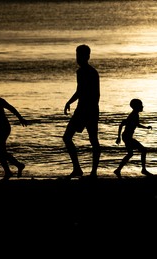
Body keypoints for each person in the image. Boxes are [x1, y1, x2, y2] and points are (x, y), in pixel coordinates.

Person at [63, 44, 101, 178]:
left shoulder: (89, 72)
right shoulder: (83, 72)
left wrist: (86, 109)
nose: (78, 58)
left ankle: (92, 172)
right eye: (77, 55)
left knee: (91, 140)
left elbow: (92, 94)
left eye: (80, 55)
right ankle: (80, 169)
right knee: (68, 138)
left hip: (87, 110)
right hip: (86, 109)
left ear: (87, 56)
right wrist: (70, 102)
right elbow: (80, 91)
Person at [114, 98, 153, 178]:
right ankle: (144, 170)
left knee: (130, 154)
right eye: (141, 105)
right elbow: (122, 124)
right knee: (143, 150)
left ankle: (118, 170)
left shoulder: (135, 114)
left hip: (126, 136)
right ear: (136, 107)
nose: (142, 107)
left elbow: (136, 124)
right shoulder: (133, 115)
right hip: (127, 137)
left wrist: (146, 128)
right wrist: (118, 137)